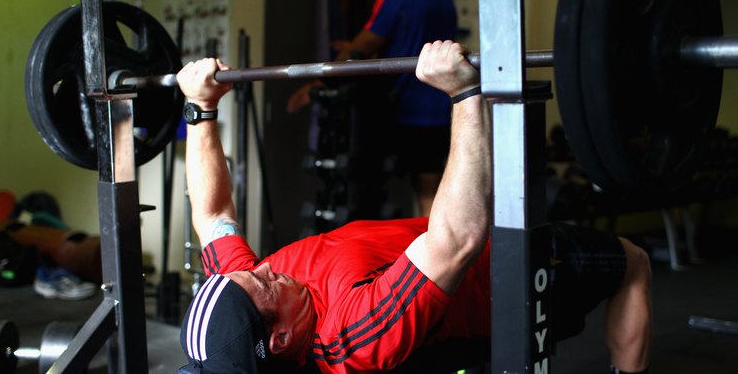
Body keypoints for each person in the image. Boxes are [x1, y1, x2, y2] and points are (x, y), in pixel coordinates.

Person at [176, 41, 652, 374]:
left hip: (479, 245)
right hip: (514, 271)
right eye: (261, 282)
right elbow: (456, 241)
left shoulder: (239, 288)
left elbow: (213, 215)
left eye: (247, 273)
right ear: (278, 339)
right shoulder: (350, 334)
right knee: (634, 262)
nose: (261, 269)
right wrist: (465, 94)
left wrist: (200, 108)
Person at [287, 0, 458, 217]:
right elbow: (415, 44)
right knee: (429, 194)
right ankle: (437, 256)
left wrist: (317, 85)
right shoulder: (444, 0)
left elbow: (362, 47)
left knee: (366, 191)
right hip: (439, 111)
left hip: (403, 112)